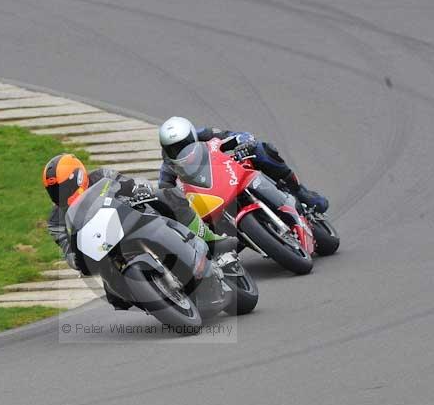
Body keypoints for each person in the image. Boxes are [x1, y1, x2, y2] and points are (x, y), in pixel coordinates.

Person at [42, 154, 238, 293]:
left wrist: (140, 190)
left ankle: (208, 238)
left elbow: (127, 184)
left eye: (62, 187)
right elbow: (66, 245)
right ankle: (149, 296)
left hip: (130, 217)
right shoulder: (55, 219)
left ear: (77, 177)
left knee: (168, 196)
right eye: (54, 190)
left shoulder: (100, 175)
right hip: (106, 247)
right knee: (114, 296)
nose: (59, 193)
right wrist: (75, 260)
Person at [157, 116, 329, 213]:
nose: (181, 151)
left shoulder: (205, 133)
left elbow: (239, 135)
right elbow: (166, 191)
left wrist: (243, 142)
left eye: (185, 143)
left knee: (262, 150)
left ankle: (298, 190)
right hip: (210, 197)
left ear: (193, 136)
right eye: (174, 148)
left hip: (229, 171)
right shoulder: (168, 165)